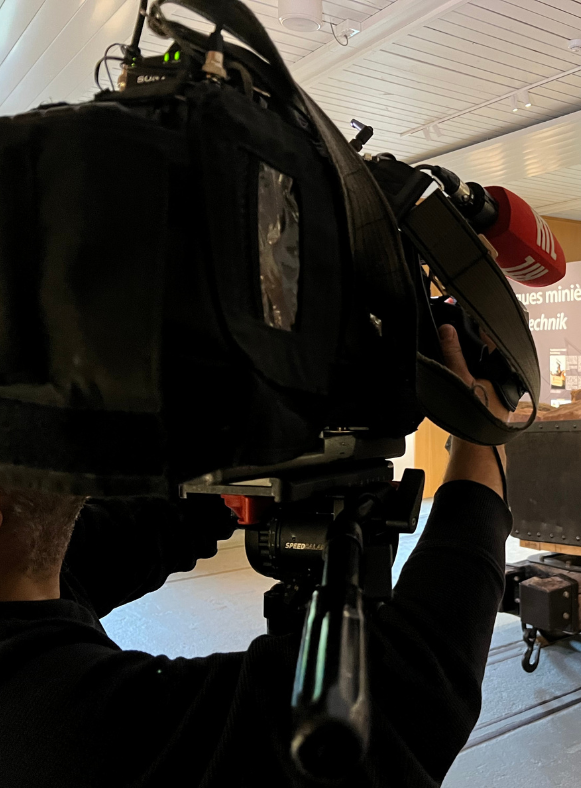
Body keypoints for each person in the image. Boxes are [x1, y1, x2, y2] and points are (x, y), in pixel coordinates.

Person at [0, 324, 511, 788]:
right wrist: (480, 435)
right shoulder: (56, 729)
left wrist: (246, 458)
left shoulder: (25, 566)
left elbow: (144, 527)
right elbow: (404, 698)